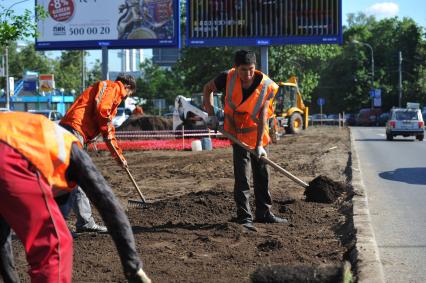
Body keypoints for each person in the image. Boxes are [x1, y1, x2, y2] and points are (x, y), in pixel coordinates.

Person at [0, 111, 151, 283]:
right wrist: (133, 267)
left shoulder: (39, 143)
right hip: (7, 154)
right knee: (56, 243)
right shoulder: (70, 151)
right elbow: (111, 208)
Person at [203, 49, 287, 232]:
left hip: (257, 133)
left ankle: (264, 213)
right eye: (243, 69)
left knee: (262, 173)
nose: (247, 74)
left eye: (251, 69)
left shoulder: (266, 86)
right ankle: (244, 217)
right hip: (237, 133)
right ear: (236, 68)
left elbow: (264, 114)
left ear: (255, 67)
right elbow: (207, 89)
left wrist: (258, 146)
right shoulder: (227, 77)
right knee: (242, 176)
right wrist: (211, 114)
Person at [59, 73, 136, 233]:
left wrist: (116, 154)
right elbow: (103, 111)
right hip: (75, 131)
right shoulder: (113, 88)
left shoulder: (107, 89)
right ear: (127, 87)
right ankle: (83, 222)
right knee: (78, 176)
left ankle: (76, 221)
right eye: (129, 94)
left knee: (68, 178)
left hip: (72, 130)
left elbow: (101, 115)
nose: (126, 97)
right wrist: (118, 155)